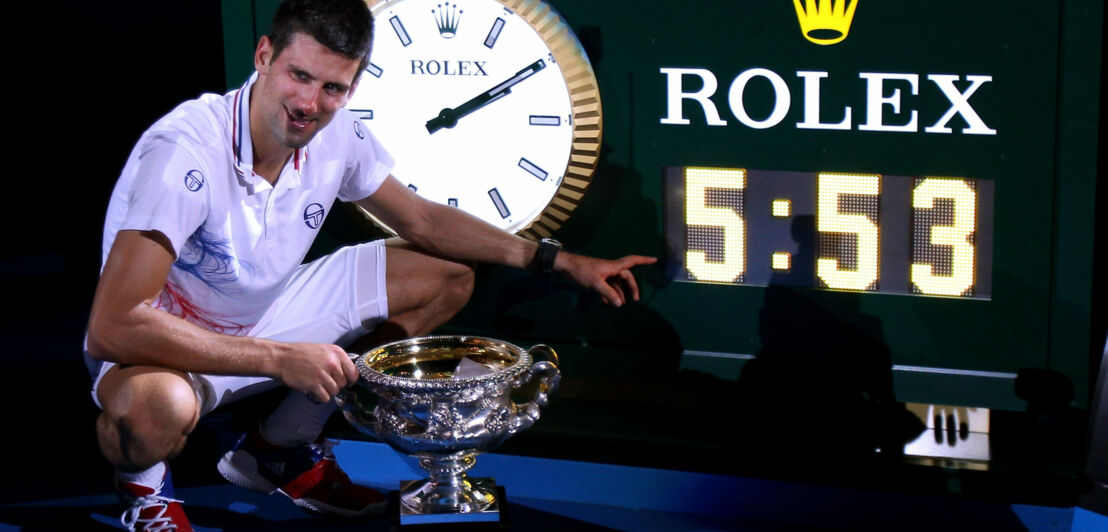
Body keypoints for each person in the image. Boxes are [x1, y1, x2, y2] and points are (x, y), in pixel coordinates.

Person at [84, 0, 654, 530]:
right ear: (264, 56)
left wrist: (555, 259)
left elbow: (424, 222)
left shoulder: (336, 133)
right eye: (299, 76)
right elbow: (113, 326)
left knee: (445, 276)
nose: (310, 104)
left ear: (353, 84)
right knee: (156, 412)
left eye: (333, 86)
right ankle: (145, 491)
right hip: (167, 344)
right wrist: (280, 358)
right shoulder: (183, 153)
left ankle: (276, 449)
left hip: (264, 312)